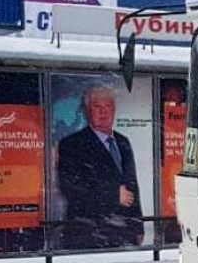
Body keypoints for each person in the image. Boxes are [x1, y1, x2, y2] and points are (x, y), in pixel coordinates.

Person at [57, 84, 143, 249]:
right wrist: (112, 196)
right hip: (88, 235)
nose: (103, 112)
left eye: (108, 106)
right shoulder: (72, 144)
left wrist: (138, 226)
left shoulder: (123, 142)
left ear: (114, 110)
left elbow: (133, 186)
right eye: (97, 106)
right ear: (88, 110)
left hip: (124, 234)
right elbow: (70, 188)